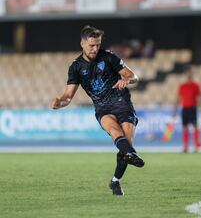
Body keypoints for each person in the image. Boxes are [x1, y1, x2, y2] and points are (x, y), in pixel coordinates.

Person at [51, 26, 144, 196]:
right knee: (117, 133)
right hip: (102, 108)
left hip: (122, 103)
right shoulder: (76, 67)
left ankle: (115, 180)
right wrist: (60, 102)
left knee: (126, 146)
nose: (95, 49)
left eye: (97, 45)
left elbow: (134, 76)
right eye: (91, 45)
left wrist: (127, 80)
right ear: (82, 44)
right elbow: (68, 96)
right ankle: (131, 154)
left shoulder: (109, 57)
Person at [176, 66, 201, 153]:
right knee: (185, 127)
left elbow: (199, 98)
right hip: (185, 108)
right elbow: (179, 98)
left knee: (195, 127)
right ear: (185, 74)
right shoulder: (182, 86)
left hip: (193, 108)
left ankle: (196, 146)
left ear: (192, 74)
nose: (189, 74)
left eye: (190, 73)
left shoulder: (196, 86)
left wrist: (200, 109)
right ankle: (185, 147)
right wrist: (175, 109)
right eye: (187, 73)